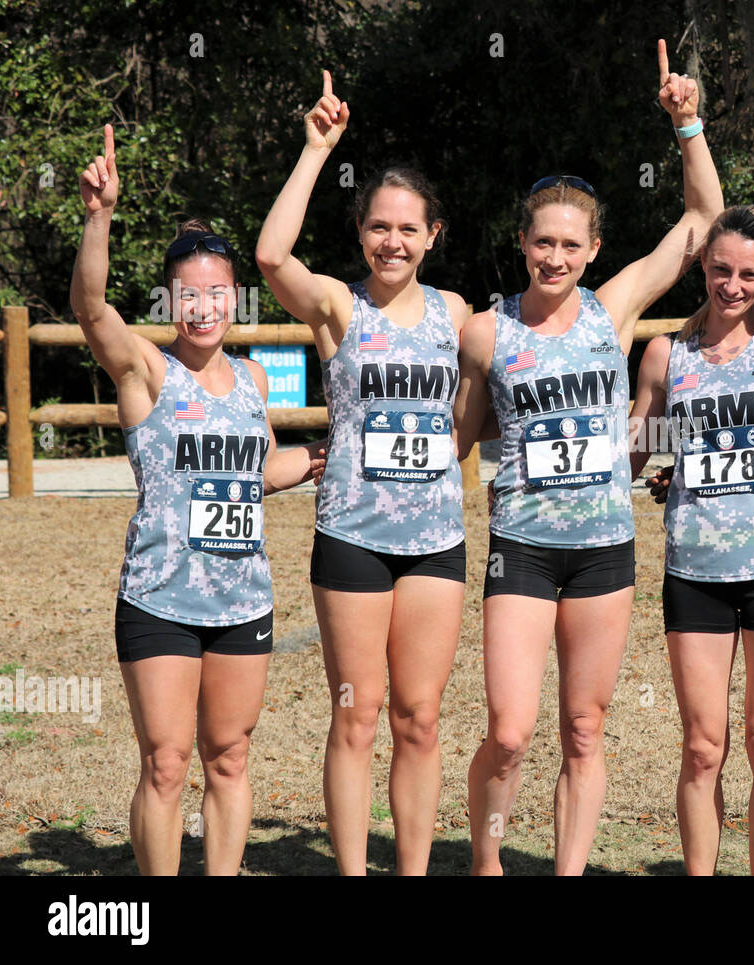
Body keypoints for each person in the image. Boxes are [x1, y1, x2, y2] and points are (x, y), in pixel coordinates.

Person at [452, 40, 724, 875]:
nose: (556, 258)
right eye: (544, 243)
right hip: (524, 549)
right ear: (523, 243)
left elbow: (704, 221)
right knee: (508, 728)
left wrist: (688, 124)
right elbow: (455, 438)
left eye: (571, 245)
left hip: (604, 550)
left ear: (594, 249)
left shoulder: (612, 311)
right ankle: (488, 859)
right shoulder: (487, 331)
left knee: (583, 728)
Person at [70, 125, 325, 875]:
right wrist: (99, 216)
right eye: (190, 294)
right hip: (160, 598)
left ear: (235, 297)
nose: (205, 306)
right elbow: (90, 308)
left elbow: (253, 473)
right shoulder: (145, 370)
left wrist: (314, 458)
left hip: (243, 599)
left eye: (219, 292)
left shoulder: (252, 380)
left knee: (230, 755)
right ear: (171, 297)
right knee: (165, 761)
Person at [255, 71, 471, 875]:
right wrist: (316, 150)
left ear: (433, 233)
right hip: (351, 538)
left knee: (418, 717)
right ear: (360, 231)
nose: (393, 241)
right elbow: (271, 253)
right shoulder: (340, 310)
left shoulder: (455, 315)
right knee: (357, 715)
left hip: (436, 543)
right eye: (379, 227)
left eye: (408, 228)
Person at [633, 64, 754, 875]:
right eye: (721, 270)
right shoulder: (665, 352)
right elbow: (638, 449)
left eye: (750, 274)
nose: (735, 284)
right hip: (697, 572)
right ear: (702, 269)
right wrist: (653, 470)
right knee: (704, 743)